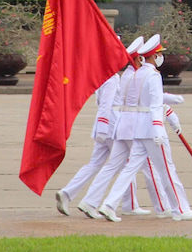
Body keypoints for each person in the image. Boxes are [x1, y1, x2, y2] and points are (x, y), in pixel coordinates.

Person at [95, 35, 192, 222]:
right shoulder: (152, 75)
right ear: (154, 56)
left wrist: (168, 104)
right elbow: (153, 104)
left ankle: (109, 204)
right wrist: (160, 127)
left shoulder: (137, 74)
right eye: (160, 53)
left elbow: (148, 99)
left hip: (138, 128)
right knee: (167, 169)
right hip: (151, 129)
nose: (161, 57)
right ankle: (180, 209)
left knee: (130, 169)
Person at [56, 37, 145, 217]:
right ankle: (120, 204)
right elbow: (106, 104)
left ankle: (68, 193)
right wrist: (104, 128)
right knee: (122, 163)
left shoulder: (103, 74)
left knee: (97, 163)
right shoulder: (111, 78)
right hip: (111, 123)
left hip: (104, 123)